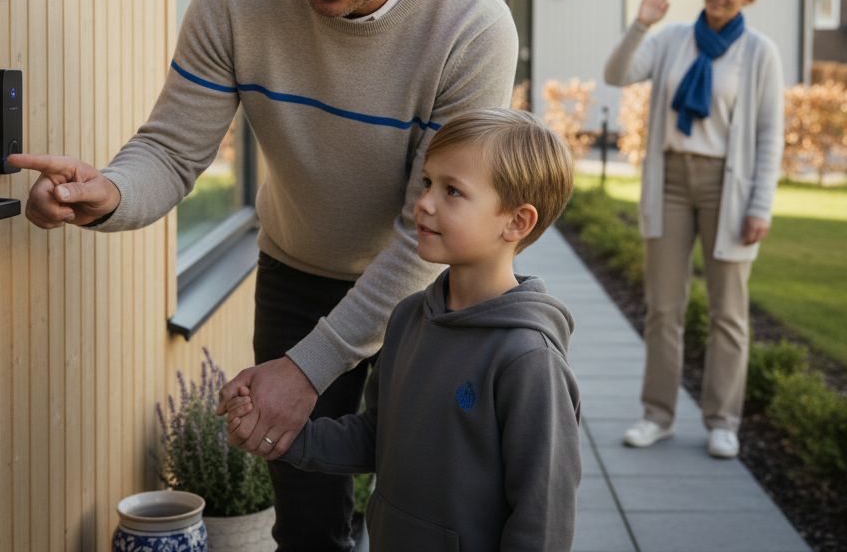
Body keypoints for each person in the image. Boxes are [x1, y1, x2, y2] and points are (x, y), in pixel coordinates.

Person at [9, 0, 517, 550]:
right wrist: (108, 191)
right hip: (300, 271)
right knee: (309, 526)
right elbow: (174, 152)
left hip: (435, 291)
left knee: (429, 518)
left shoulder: (472, 29)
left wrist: (304, 370)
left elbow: (426, 233)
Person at [223, 108, 580, 552]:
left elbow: (542, 517)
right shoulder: (409, 317)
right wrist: (283, 438)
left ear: (516, 222)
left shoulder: (528, 359)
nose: (424, 203)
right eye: (427, 182)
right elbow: (376, 438)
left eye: (453, 191)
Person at [601, 0, 784, 460]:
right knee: (664, 308)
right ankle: (657, 414)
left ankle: (723, 420)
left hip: (728, 189)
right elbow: (617, 74)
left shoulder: (758, 52)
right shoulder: (671, 39)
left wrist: (760, 205)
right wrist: (641, 24)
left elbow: (770, 135)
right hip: (671, 183)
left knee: (729, 312)